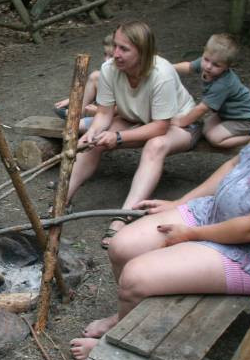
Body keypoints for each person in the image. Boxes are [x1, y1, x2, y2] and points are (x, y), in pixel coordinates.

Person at [70, 14, 250, 360]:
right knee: (122, 246)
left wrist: (191, 234)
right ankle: (127, 318)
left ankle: (119, 346)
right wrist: (181, 202)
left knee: (134, 276)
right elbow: (238, 163)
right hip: (216, 213)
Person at [65, 21, 199, 248]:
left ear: (142, 51)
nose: (115, 54)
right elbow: (104, 113)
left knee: (155, 145)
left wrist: (118, 137)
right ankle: (63, 199)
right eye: (115, 46)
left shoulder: (162, 74)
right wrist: (94, 132)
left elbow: (161, 127)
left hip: (179, 125)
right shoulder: (109, 69)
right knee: (95, 141)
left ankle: (123, 217)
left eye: (124, 49)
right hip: (137, 119)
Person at [172, 33, 250, 148]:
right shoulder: (209, 63)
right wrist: (169, 66)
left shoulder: (223, 84)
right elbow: (189, 67)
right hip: (226, 114)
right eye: (206, 59)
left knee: (214, 138)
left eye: (216, 65)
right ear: (204, 52)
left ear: (227, 66)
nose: (208, 66)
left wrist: (181, 122)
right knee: (205, 129)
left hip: (244, 119)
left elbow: (202, 109)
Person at [53, 33, 115, 133]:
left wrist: (98, 111)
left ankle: (83, 115)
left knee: (78, 126)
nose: (106, 59)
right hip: (106, 110)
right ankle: (78, 110)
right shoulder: (109, 70)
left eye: (111, 56)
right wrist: (73, 100)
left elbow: (125, 110)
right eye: (105, 54)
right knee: (95, 76)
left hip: (115, 116)